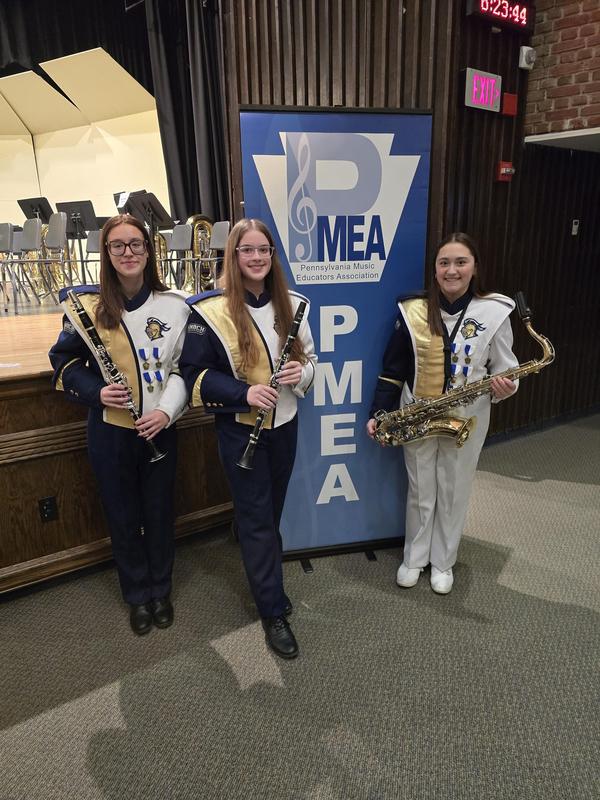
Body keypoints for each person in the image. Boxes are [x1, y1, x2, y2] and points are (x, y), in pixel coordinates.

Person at [180, 218, 317, 659]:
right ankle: (272, 608)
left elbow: (313, 360)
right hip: (241, 431)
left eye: (264, 250)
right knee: (259, 521)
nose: (256, 258)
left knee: (268, 512)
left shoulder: (294, 305)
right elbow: (196, 375)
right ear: (234, 256)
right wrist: (245, 392)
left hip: (286, 425)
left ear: (272, 256)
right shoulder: (211, 311)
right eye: (247, 250)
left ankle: (263, 573)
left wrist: (303, 372)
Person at [49, 214, 189, 634]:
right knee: (122, 514)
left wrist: (166, 411)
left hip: (159, 426)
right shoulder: (88, 309)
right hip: (109, 430)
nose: (127, 253)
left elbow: (185, 368)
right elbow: (65, 363)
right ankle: (137, 594)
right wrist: (96, 392)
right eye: (117, 246)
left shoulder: (176, 305)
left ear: (149, 251)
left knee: (160, 511)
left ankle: (161, 589)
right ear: (106, 255)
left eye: (135, 245)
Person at [367, 232, 518, 594]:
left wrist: (506, 387)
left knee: (454, 488)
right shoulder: (412, 310)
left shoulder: (495, 312)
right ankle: (414, 558)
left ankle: (443, 562)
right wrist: (380, 411)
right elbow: (392, 369)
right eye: (444, 263)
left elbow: (506, 370)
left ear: (474, 268)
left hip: (468, 414)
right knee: (420, 486)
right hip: (417, 409)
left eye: (460, 262)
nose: (452, 270)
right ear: (434, 270)